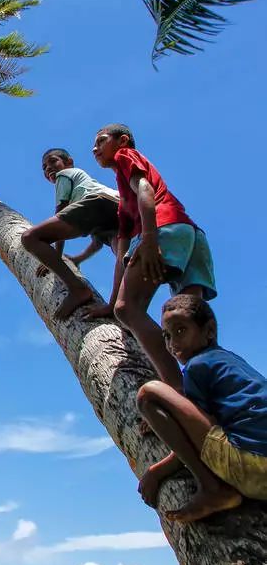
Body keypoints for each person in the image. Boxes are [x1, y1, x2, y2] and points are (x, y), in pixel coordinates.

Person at [88, 123, 216, 390]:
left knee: (128, 309)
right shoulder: (124, 201)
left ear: (122, 141)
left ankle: (176, 389)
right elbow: (121, 254)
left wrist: (148, 239)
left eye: (101, 141)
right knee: (191, 319)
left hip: (163, 227)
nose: (94, 148)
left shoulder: (126, 156)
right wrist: (111, 302)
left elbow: (145, 188)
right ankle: (210, 388)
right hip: (190, 235)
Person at [137, 295, 267, 523]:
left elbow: (195, 437)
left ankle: (212, 488)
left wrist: (156, 472)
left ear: (209, 330)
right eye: (166, 336)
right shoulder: (228, 361)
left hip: (253, 467)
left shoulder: (197, 366)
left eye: (180, 331)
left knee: (149, 393)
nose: (172, 344)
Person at [21, 147, 119, 319]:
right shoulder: (84, 188)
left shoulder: (65, 175)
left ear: (69, 162)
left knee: (30, 237)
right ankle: (116, 308)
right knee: (125, 259)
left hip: (99, 202)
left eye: (52, 161)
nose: (48, 168)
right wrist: (78, 259)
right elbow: (97, 243)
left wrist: (56, 256)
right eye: (44, 167)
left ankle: (78, 289)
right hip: (115, 212)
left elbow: (60, 211)